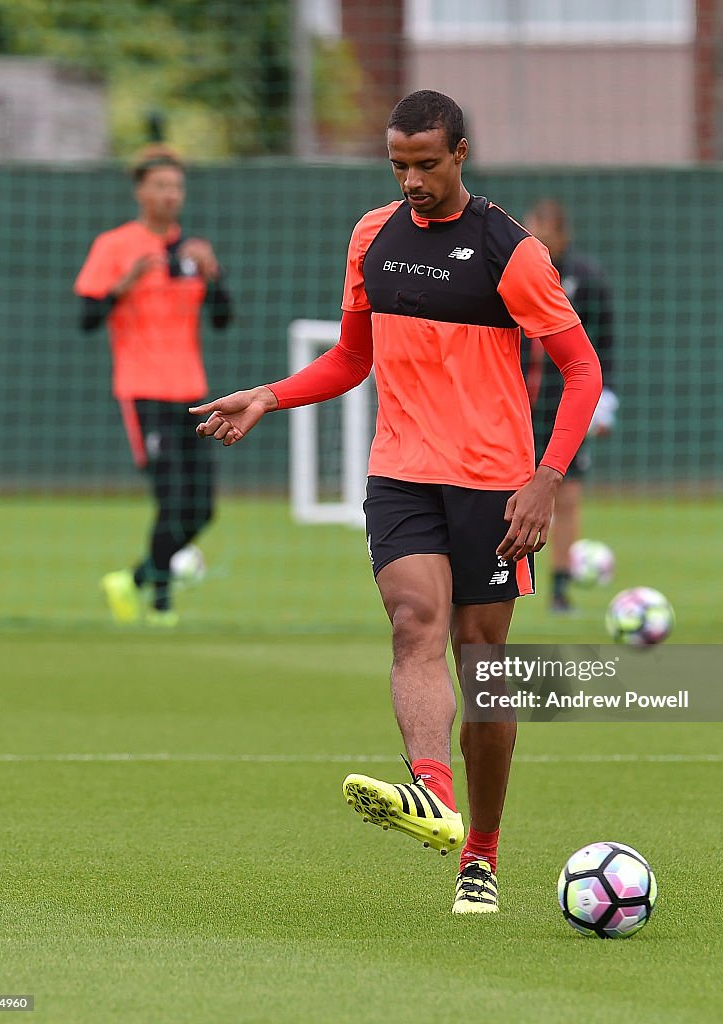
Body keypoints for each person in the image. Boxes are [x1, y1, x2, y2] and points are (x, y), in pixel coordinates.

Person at [191, 92, 601, 913]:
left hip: (493, 482)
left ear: (460, 155)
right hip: (403, 472)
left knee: (484, 669)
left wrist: (545, 478)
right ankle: (431, 792)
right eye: (398, 165)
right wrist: (270, 396)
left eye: (425, 163)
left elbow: (582, 370)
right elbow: (351, 357)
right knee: (414, 622)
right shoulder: (370, 238)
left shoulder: (512, 253)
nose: (411, 180)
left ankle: (479, 853)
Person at [74, 146, 233, 627]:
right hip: (142, 391)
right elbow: (86, 318)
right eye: (161, 186)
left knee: (202, 507)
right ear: (141, 191)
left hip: (192, 392)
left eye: (177, 187)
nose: (170, 195)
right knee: (170, 499)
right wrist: (124, 283)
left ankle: (135, 578)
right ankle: (162, 603)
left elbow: (224, 319)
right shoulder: (115, 245)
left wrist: (214, 274)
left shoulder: (191, 251)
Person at [522, 199, 618, 613]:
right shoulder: (514, 269)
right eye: (531, 227)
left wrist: (605, 397)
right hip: (517, 403)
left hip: (566, 404)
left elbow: (606, 340)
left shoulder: (586, 278)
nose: (535, 234)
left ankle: (560, 588)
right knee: (500, 493)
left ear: (561, 233)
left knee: (569, 494)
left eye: (543, 228)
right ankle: (500, 579)